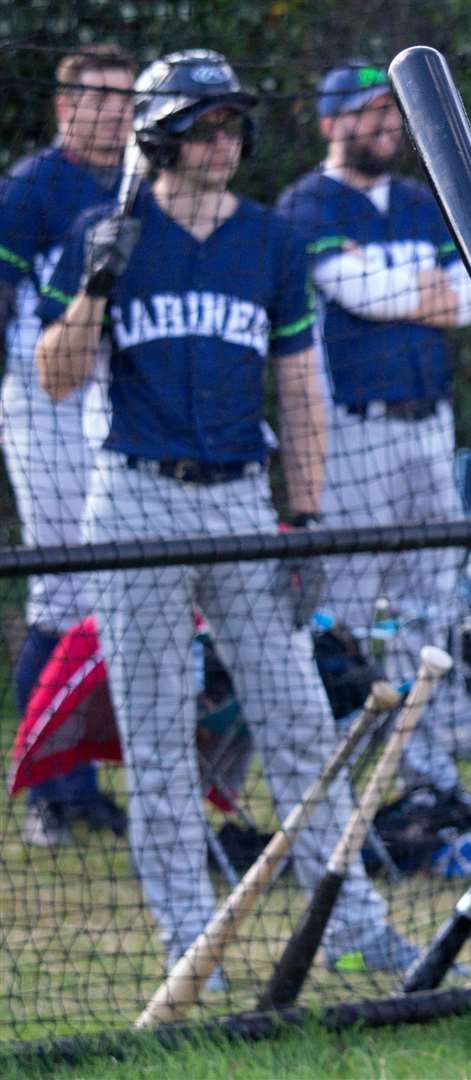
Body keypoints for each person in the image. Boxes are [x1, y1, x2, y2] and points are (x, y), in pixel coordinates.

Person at [35, 49, 418, 979]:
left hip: (244, 503)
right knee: (159, 736)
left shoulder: (269, 241)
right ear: (164, 136)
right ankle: (188, 949)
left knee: (296, 718)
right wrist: (95, 282)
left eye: (235, 123)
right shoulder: (106, 228)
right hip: (134, 501)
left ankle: (352, 926)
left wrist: (311, 516)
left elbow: (297, 387)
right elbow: (55, 377)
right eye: (208, 124)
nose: (229, 139)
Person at [274, 59, 471, 800]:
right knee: (355, 602)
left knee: (433, 597)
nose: (385, 124)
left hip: (430, 422)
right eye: (367, 113)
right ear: (332, 123)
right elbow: (355, 290)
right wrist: (420, 291)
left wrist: (414, 293)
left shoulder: (421, 202)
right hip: (353, 431)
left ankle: (424, 768)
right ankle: (347, 764)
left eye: (390, 112)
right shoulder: (307, 204)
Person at [1, 44, 136, 847]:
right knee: (62, 595)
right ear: (65, 106)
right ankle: (50, 792)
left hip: (112, 404)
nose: (115, 111)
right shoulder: (32, 186)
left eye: (126, 99)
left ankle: (80, 784)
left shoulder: (131, 182)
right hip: (40, 404)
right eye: (101, 97)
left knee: (104, 592)